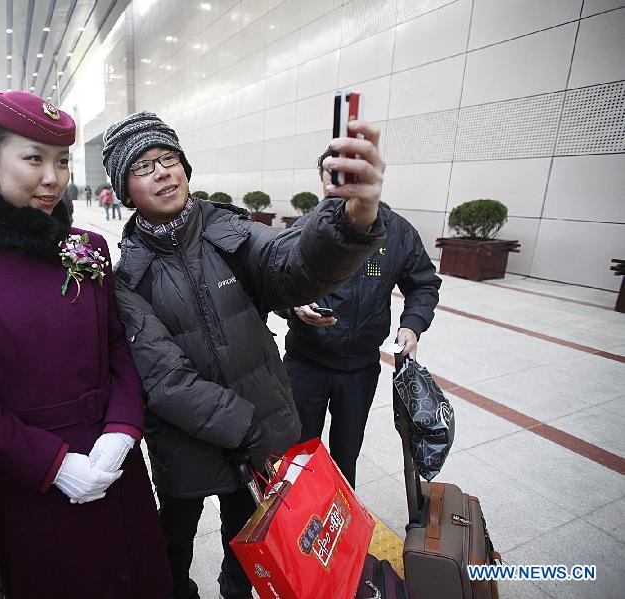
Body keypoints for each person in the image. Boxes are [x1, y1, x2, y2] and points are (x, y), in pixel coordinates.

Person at [103, 111, 387, 599]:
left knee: (249, 534)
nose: (163, 172)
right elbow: (164, 378)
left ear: (186, 168)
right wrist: (244, 426)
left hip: (257, 434)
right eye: (144, 166)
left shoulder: (230, 231)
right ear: (126, 191)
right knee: (174, 540)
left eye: (169, 159)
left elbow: (290, 265)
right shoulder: (126, 275)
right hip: (187, 444)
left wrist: (349, 218)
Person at [0, 90, 171, 599]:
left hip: (115, 467)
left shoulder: (86, 248)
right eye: (33, 159)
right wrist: (53, 466)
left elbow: (117, 346)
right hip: (36, 484)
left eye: (61, 161)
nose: (53, 178)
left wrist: (122, 431)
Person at [278, 150, 441, 488]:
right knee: (297, 451)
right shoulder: (304, 229)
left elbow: (423, 283)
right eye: (331, 174)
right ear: (322, 181)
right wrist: (294, 307)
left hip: (359, 370)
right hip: (305, 364)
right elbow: (275, 283)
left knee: (345, 454)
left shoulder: (396, 232)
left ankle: (340, 525)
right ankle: (297, 527)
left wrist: (412, 324)